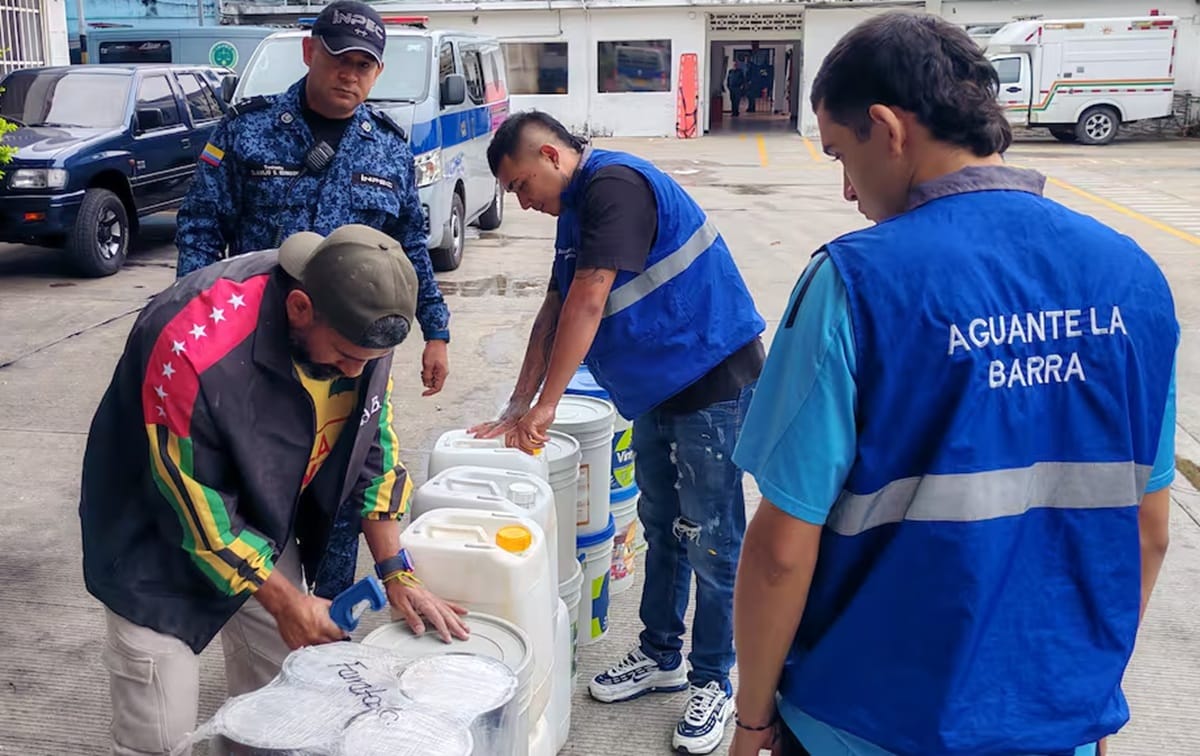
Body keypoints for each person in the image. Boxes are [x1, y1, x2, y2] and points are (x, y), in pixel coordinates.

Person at [728, 12, 1176, 756]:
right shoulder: (1134, 278)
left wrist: (751, 721)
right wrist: (1086, 693)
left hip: (865, 721)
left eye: (841, 154)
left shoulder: (854, 284)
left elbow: (780, 550)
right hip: (1052, 720)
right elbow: (1149, 531)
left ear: (887, 127)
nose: (845, 190)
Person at [80, 224, 470, 756]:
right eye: (344, 356)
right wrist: (288, 601)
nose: (356, 372)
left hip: (260, 522)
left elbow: (372, 448)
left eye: (369, 361)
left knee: (289, 698)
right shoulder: (191, 345)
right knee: (161, 732)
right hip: (152, 540)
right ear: (301, 308)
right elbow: (197, 510)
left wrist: (395, 569)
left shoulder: (361, 329)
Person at [471, 110, 766, 755]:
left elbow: (588, 299)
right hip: (660, 385)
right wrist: (518, 402)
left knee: (713, 540)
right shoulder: (574, 208)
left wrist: (547, 407)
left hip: (711, 377)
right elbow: (553, 309)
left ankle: (714, 679)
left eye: (522, 186)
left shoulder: (614, 186)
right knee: (663, 528)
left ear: (551, 156)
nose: (522, 203)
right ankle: (661, 653)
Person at [175, 0, 450, 399]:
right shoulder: (247, 130)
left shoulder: (390, 149)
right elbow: (201, 227)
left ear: (378, 73)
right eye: (338, 58)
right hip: (259, 336)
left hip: (355, 344)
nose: (348, 75)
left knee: (347, 456)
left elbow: (409, 246)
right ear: (309, 52)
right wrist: (195, 318)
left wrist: (436, 331)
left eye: (363, 65)